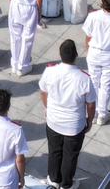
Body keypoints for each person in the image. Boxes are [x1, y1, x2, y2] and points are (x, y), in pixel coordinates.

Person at [38, 40, 94, 189]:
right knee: (70, 156)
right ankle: (66, 184)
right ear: (76, 55)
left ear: (60, 55)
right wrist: (90, 120)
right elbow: (91, 104)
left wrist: (48, 108)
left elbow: (43, 92)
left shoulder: (50, 71)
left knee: (54, 151)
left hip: (53, 121)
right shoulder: (84, 78)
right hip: (74, 126)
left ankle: (54, 179)